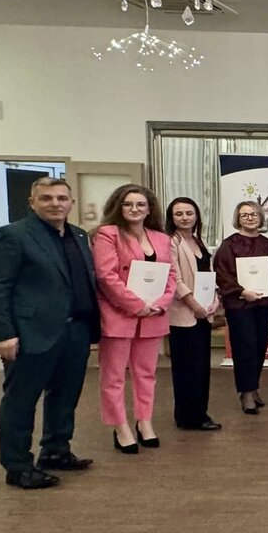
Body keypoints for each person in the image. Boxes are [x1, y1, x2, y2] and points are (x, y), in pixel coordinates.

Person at [0, 177, 100, 488]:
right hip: (31, 333)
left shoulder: (78, 235)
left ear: (71, 203)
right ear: (32, 202)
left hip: (76, 331)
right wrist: (1, 334)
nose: (55, 203)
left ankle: (56, 451)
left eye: (61, 198)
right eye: (46, 198)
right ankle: (18, 466)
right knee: (20, 401)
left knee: (65, 397)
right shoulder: (13, 236)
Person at [93, 184, 176, 453]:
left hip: (153, 316)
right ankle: (120, 427)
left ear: (149, 209)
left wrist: (160, 304)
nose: (134, 209)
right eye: (128, 204)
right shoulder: (107, 234)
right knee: (114, 376)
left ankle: (144, 421)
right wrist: (136, 305)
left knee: (146, 373)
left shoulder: (161, 238)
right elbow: (106, 276)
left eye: (140, 204)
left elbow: (171, 275)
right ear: (118, 207)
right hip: (118, 315)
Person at [214, 201, 268, 415]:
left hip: (264, 303)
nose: (250, 218)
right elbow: (222, 274)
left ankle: (253, 386)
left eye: (254, 214)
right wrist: (242, 292)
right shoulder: (229, 245)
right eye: (245, 215)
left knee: (260, 347)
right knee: (245, 348)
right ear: (238, 219)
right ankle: (246, 392)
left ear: (260, 217)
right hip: (239, 304)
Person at [166, 197, 221, 430]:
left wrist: (214, 299)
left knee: (200, 366)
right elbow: (174, 279)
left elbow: (208, 274)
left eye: (189, 213)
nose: (185, 217)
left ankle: (199, 413)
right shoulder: (171, 242)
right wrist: (193, 303)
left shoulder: (199, 241)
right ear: (171, 218)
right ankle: (187, 417)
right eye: (179, 214)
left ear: (197, 215)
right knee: (185, 368)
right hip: (183, 313)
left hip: (204, 313)